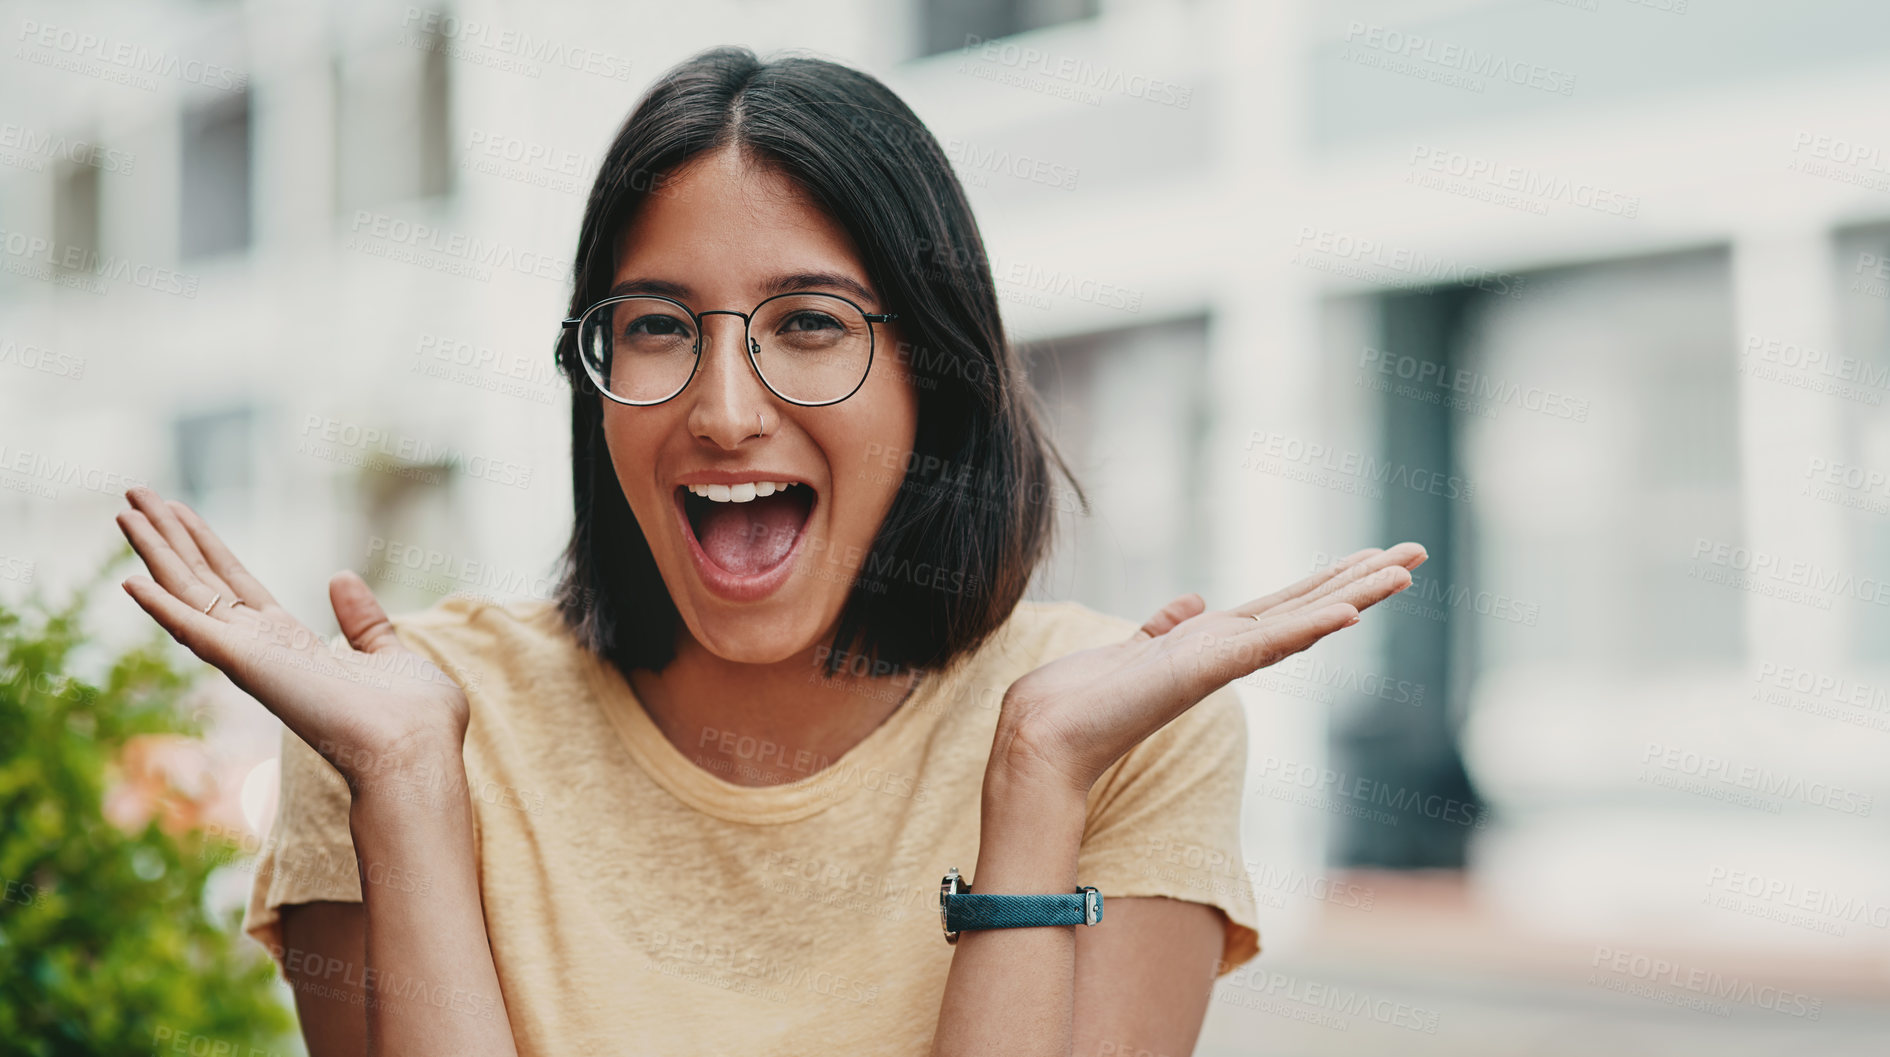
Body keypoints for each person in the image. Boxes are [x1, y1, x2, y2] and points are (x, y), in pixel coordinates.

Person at [114, 45, 1424, 1057]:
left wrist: (1032, 784)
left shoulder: (1119, 724)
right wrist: (406, 784)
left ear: (935, 371)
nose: (725, 408)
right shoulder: (395, 715)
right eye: (656, 327)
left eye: (807, 323)